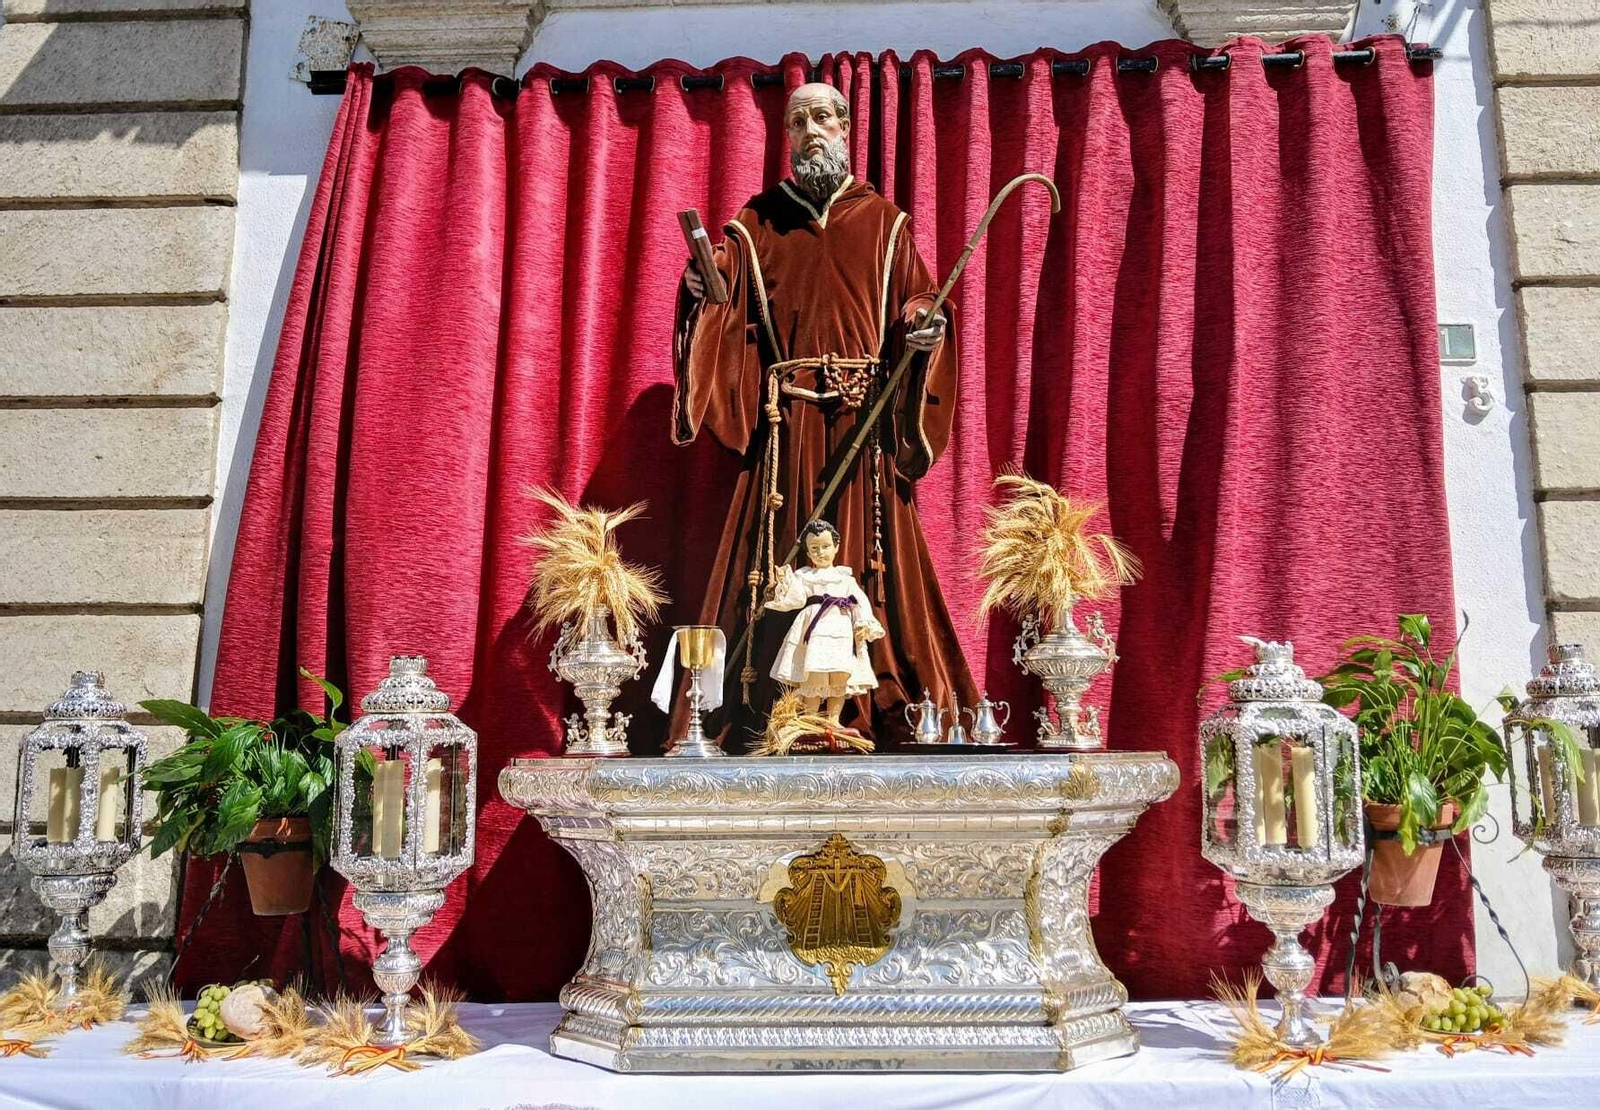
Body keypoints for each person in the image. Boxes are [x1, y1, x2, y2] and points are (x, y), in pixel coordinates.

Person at [673, 81, 979, 747]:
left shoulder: (886, 222)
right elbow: (725, 284)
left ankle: (884, 709)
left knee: (875, 563)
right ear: (787, 136)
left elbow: (919, 300)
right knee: (774, 563)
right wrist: (704, 283)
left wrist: (924, 325)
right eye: (800, 120)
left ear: (845, 129)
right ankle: (769, 712)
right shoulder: (758, 221)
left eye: (825, 118)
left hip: (864, 430)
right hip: (787, 435)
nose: (813, 131)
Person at [765, 520, 884, 732]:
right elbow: (796, 599)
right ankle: (810, 720)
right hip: (815, 628)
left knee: (839, 674)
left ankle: (832, 720)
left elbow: (860, 601)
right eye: (814, 549)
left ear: (836, 547)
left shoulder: (844, 577)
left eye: (826, 546)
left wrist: (862, 621)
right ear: (808, 553)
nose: (821, 553)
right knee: (814, 673)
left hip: (840, 630)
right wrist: (784, 585)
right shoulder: (805, 576)